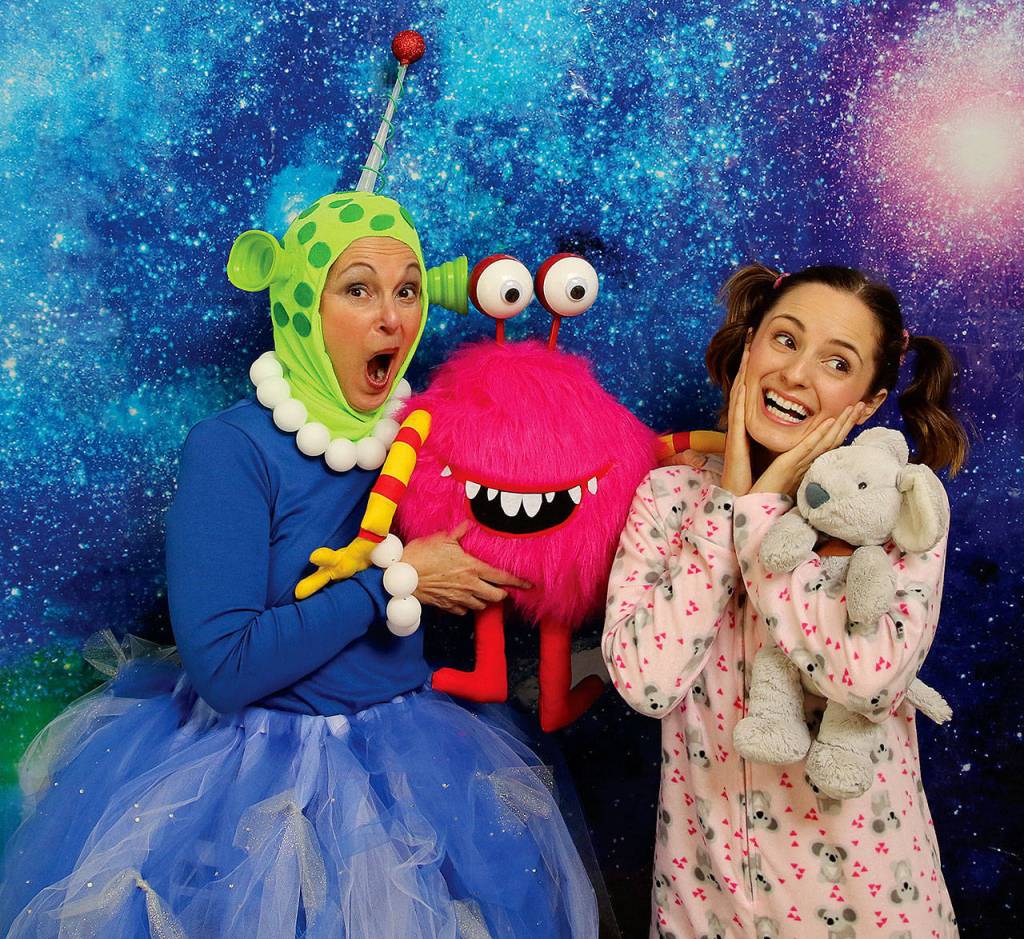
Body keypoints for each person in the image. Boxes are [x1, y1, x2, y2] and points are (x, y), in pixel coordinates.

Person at [0, 192, 599, 937]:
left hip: (413, 766)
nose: (393, 319)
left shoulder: (429, 438)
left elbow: (547, 507)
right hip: (250, 783)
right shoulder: (232, 448)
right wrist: (397, 581)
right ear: (302, 307)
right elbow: (225, 668)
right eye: (359, 290)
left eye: (408, 290)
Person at [603, 263, 967, 938]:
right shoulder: (669, 497)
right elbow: (648, 684)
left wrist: (761, 517)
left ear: (868, 402)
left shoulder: (899, 512)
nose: (797, 374)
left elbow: (865, 680)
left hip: (868, 906)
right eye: (786, 339)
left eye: (837, 362)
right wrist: (727, 511)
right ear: (750, 345)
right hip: (704, 903)